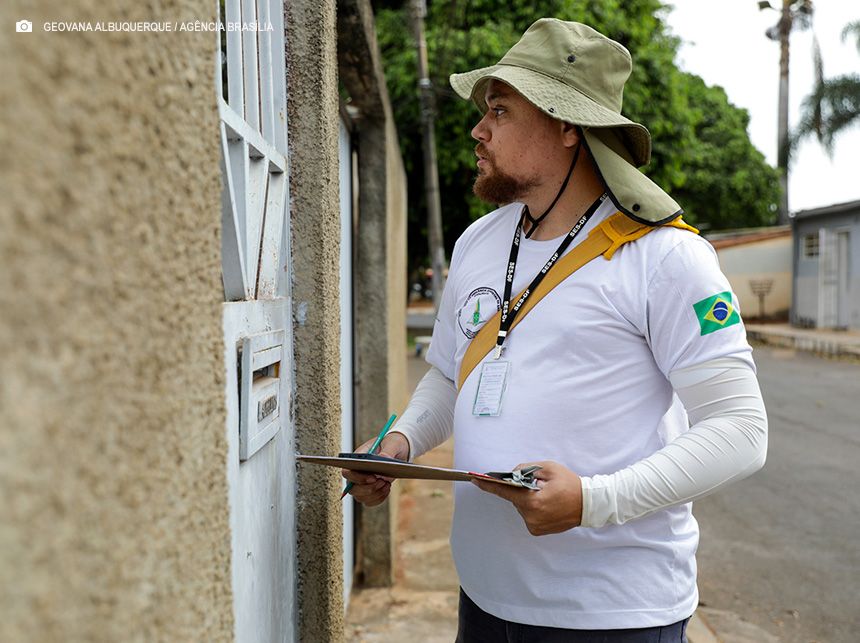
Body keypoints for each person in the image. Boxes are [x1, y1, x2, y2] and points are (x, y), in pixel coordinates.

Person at [343, 18, 767, 642]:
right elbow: (448, 377)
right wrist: (400, 444)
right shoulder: (479, 242)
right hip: (485, 601)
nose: (477, 129)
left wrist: (592, 501)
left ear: (568, 125)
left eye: (500, 110)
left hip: (612, 615)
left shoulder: (666, 258)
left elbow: (741, 432)